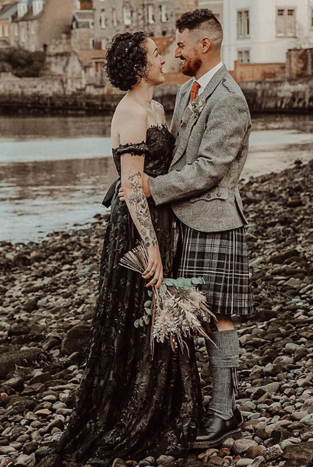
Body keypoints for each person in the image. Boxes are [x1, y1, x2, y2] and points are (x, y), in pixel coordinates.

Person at [50, 32, 203, 464]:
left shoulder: (155, 106)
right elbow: (133, 188)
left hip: (161, 219)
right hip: (139, 227)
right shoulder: (131, 112)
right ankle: (135, 411)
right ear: (138, 68)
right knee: (139, 311)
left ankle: (167, 402)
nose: (163, 58)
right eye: (155, 55)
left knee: (162, 310)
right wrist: (151, 246)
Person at [121, 9, 253, 448]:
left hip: (214, 221)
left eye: (180, 44)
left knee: (218, 317)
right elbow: (178, 154)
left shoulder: (229, 97)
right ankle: (187, 405)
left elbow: (211, 168)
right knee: (182, 316)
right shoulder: (187, 92)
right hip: (181, 219)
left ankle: (224, 412)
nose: (175, 52)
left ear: (204, 45)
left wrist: (152, 187)